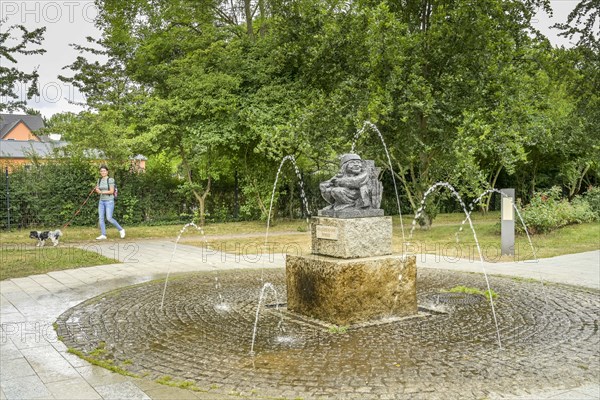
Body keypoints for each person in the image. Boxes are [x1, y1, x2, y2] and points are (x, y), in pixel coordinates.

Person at [95, 165, 125, 240]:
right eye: (101, 171)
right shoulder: (99, 180)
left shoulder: (110, 180)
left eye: (104, 171)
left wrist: (101, 192)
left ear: (107, 172)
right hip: (101, 201)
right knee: (101, 218)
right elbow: (98, 188)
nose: (103, 172)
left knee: (109, 218)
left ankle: (121, 229)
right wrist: (97, 190)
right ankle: (103, 234)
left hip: (109, 201)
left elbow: (111, 191)